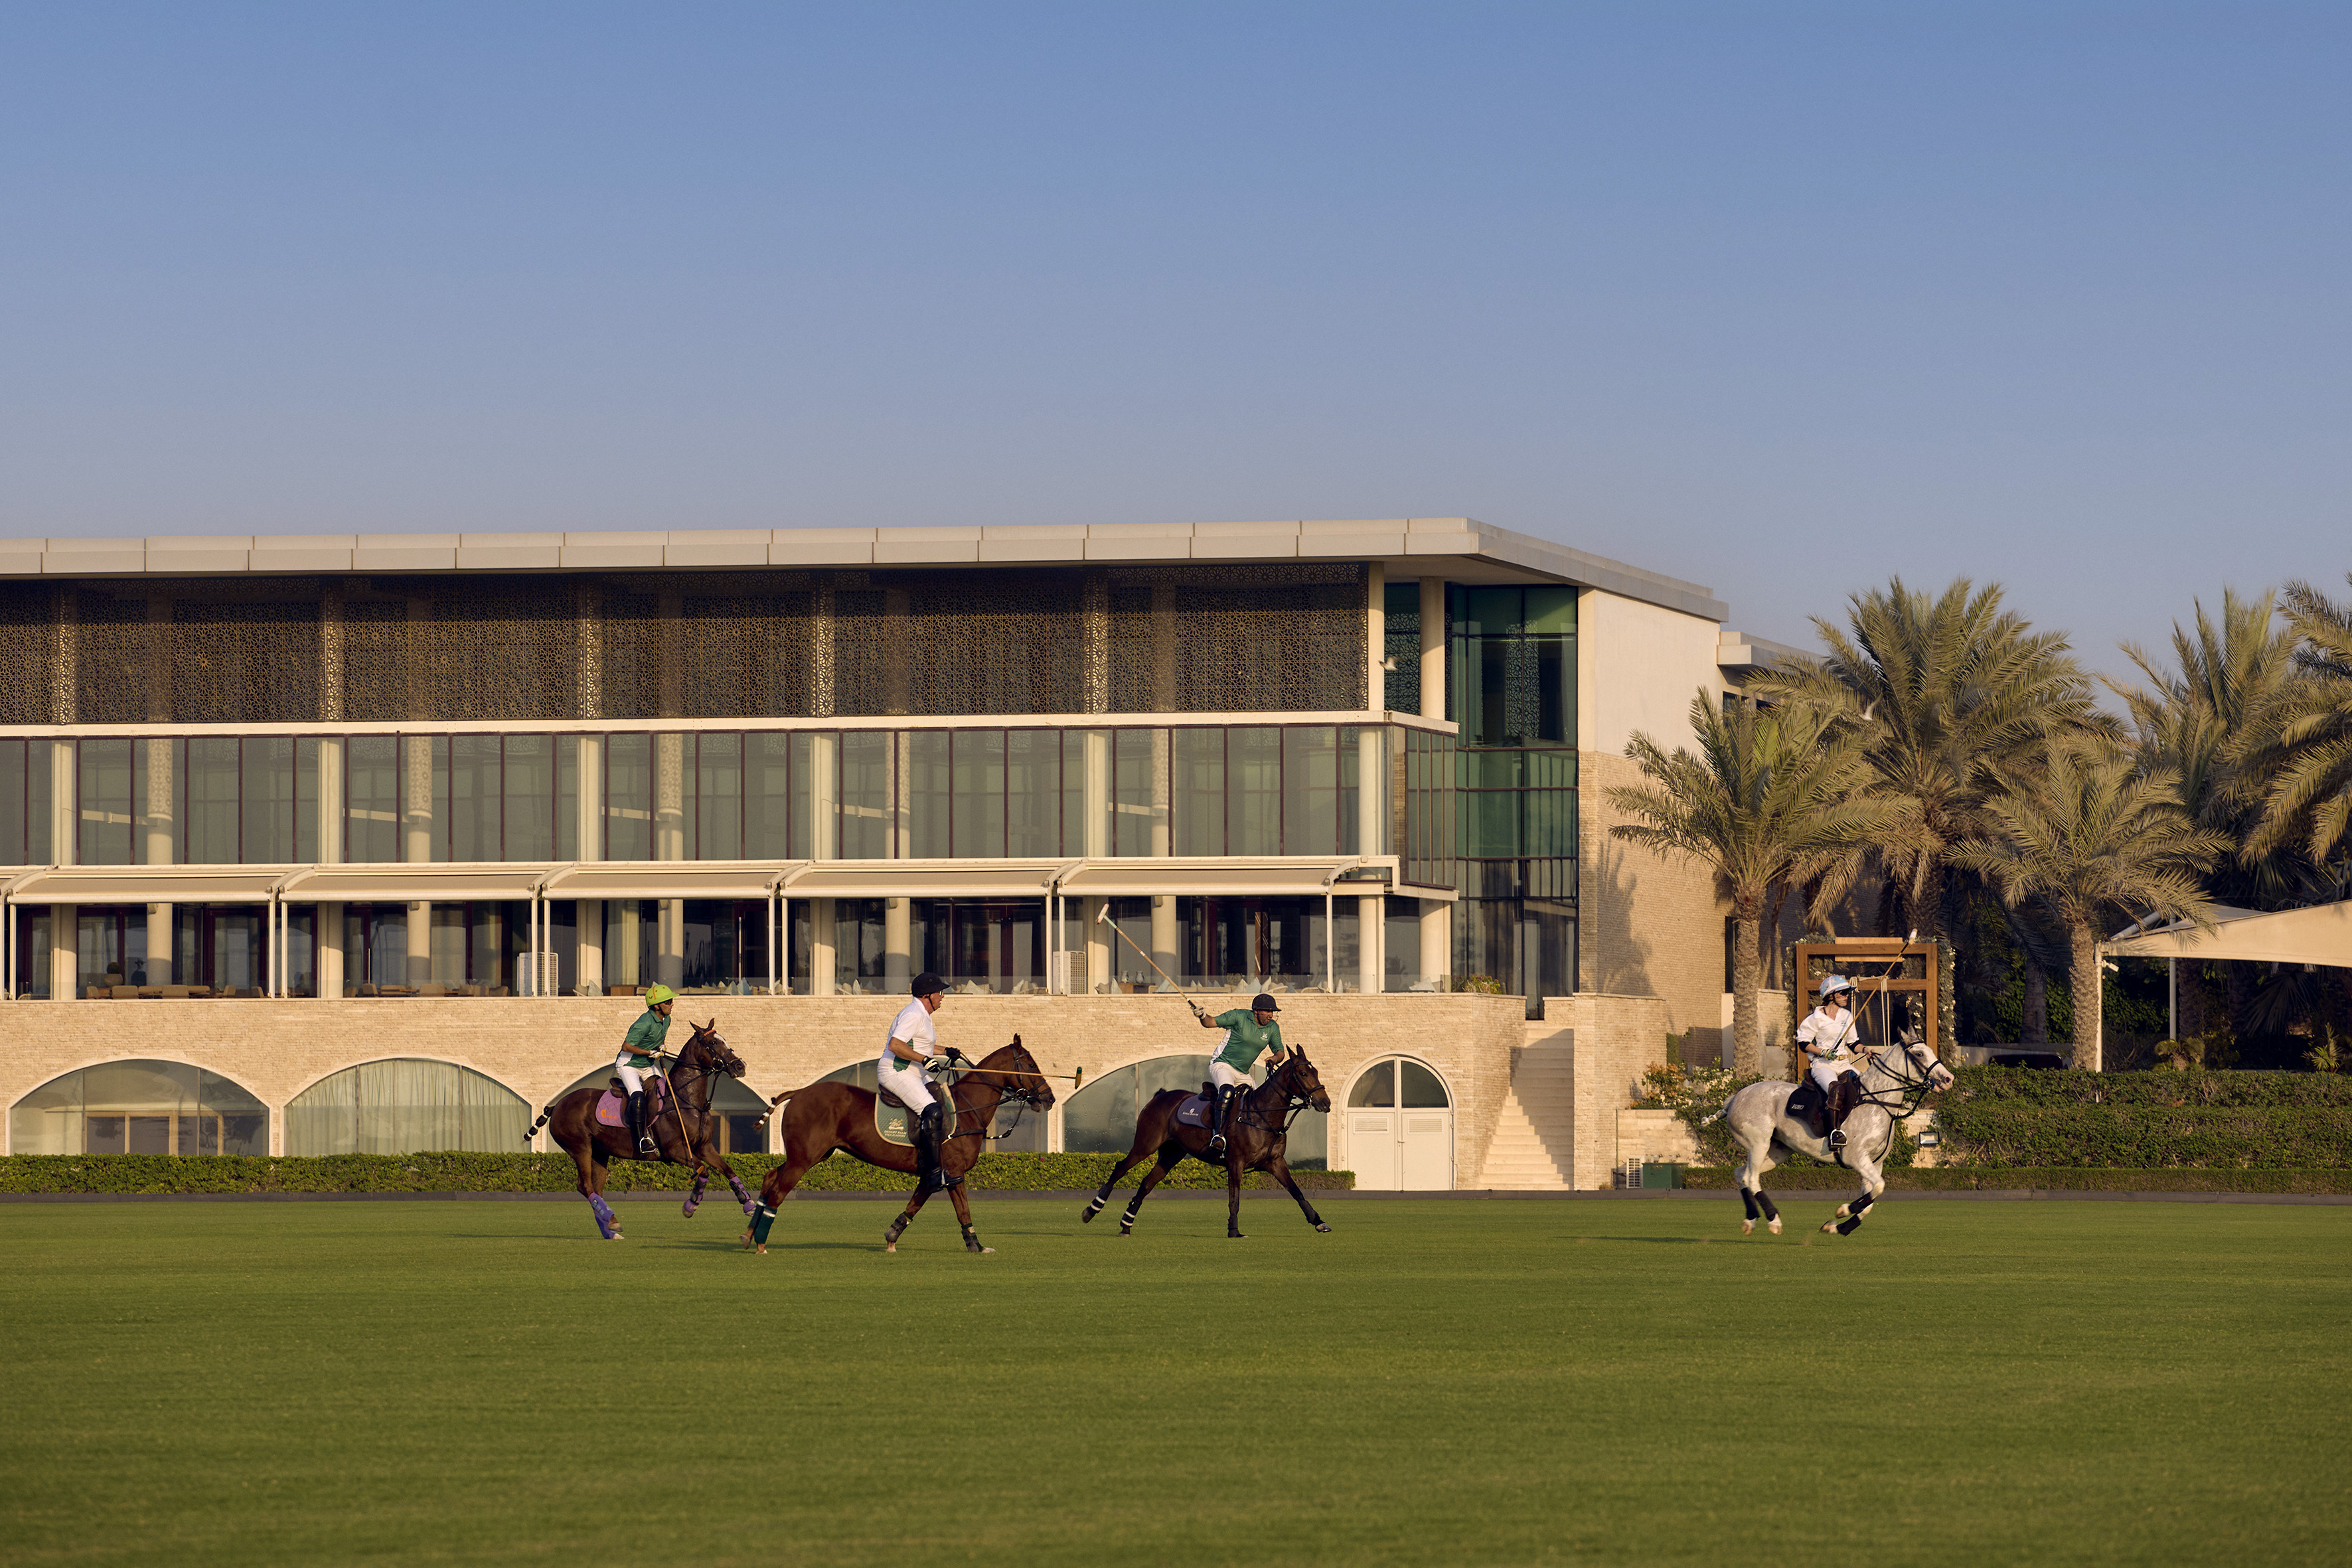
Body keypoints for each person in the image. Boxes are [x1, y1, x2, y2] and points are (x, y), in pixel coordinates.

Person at [878, 972, 963, 1193]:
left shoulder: (923, 1014)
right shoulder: (914, 1014)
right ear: (927, 995)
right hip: (897, 1072)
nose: (943, 996)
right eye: (940, 992)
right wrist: (925, 1060)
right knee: (933, 1112)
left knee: (941, 1095)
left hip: (912, 1071)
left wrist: (945, 1051)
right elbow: (896, 1045)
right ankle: (933, 1174)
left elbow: (919, 1045)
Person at [1193, 992, 1287, 1156]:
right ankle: (1218, 1136)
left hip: (1243, 1073)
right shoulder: (1239, 1016)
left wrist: (1274, 1058)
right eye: (1267, 1011)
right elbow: (1210, 1023)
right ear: (1256, 1011)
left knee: (1259, 1103)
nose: (1271, 1015)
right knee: (1228, 1091)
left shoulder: (1272, 1028)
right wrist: (1202, 1015)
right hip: (1222, 1064)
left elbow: (1280, 1052)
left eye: (1273, 1012)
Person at [1795, 975, 1869, 1150]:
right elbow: (1803, 1043)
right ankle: (1834, 1133)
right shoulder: (1815, 1019)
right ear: (1830, 996)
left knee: (1864, 1086)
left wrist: (1865, 1050)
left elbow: (1853, 1044)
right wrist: (1822, 1052)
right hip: (1822, 1065)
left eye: (1846, 993)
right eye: (1842, 993)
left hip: (1844, 1064)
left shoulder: (1847, 1015)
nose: (1846, 996)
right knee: (1835, 1089)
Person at [616, 984, 677, 1155]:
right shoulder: (644, 1023)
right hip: (629, 1066)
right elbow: (627, 1046)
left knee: (668, 1093)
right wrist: (650, 1052)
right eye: (668, 1002)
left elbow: (659, 1039)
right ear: (657, 1006)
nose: (672, 1004)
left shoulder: (667, 1020)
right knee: (638, 1097)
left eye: (672, 1001)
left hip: (647, 1065)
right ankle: (641, 1140)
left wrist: (661, 1047)